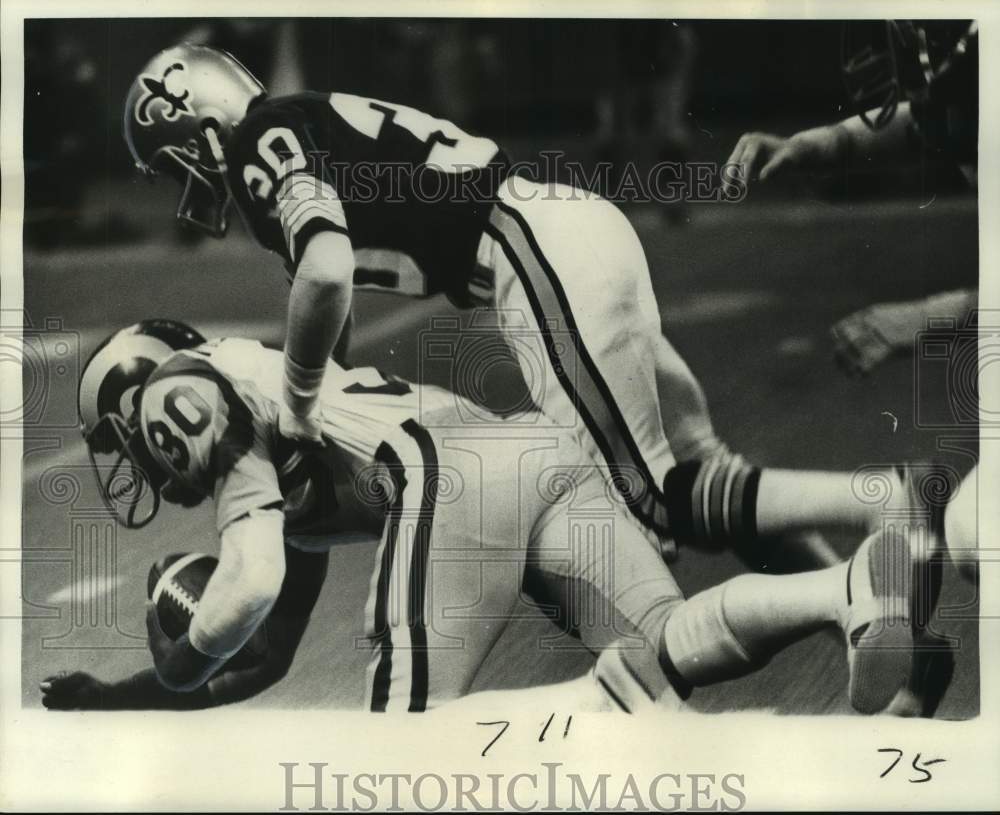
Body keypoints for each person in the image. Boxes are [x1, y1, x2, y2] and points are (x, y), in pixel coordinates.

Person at [122, 44, 919, 570]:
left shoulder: (266, 138)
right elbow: (331, 297)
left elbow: (326, 272)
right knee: (702, 471)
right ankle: (854, 596)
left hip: (527, 248)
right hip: (561, 227)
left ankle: (894, 497)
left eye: (173, 160)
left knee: (644, 517)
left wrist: (295, 408)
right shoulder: (294, 120)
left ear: (197, 123)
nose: (183, 183)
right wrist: (329, 396)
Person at [44, 319, 934, 714]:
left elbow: (244, 594)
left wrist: (182, 649)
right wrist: (123, 697)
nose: (135, 463)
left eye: (122, 442)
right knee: (661, 649)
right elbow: (269, 651)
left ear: (144, 390)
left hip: (448, 480)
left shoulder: (184, 388)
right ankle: (848, 588)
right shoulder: (271, 471)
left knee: (397, 755)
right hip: (527, 454)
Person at [724, 20, 980, 716]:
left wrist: (926, 314)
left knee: (976, 532)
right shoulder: (971, 88)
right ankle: (907, 680)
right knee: (950, 509)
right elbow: (920, 122)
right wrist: (804, 146)